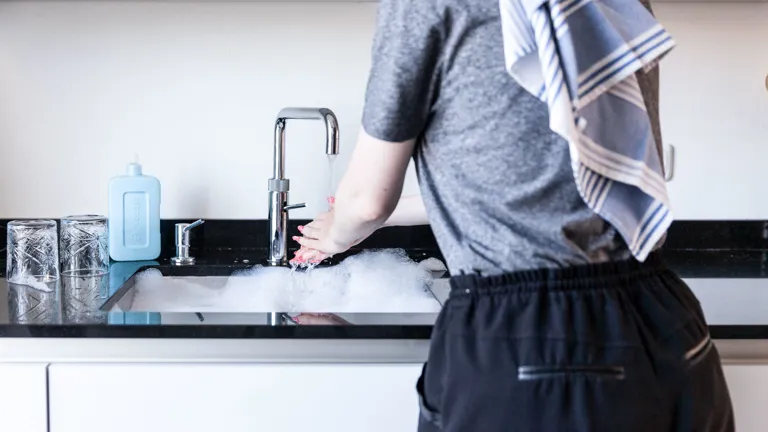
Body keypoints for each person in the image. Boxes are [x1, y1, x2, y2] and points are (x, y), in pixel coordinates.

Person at [293, 0, 735, 430]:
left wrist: (336, 233)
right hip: (667, 319)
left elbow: (365, 201)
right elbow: (534, 182)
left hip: (532, 339)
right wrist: (377, 220)